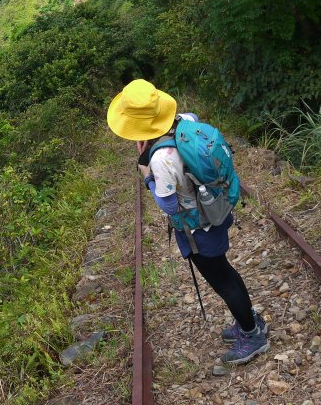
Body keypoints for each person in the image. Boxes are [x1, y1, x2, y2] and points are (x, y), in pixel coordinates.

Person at [106, 79, 269, 365]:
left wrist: (147, 175)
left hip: (198, 226)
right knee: (226, 271)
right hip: (215, 208)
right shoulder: (186, 121)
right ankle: (249, 320)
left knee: (222, 278)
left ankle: (252, 333)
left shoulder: (160, 160)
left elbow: (168, 204)